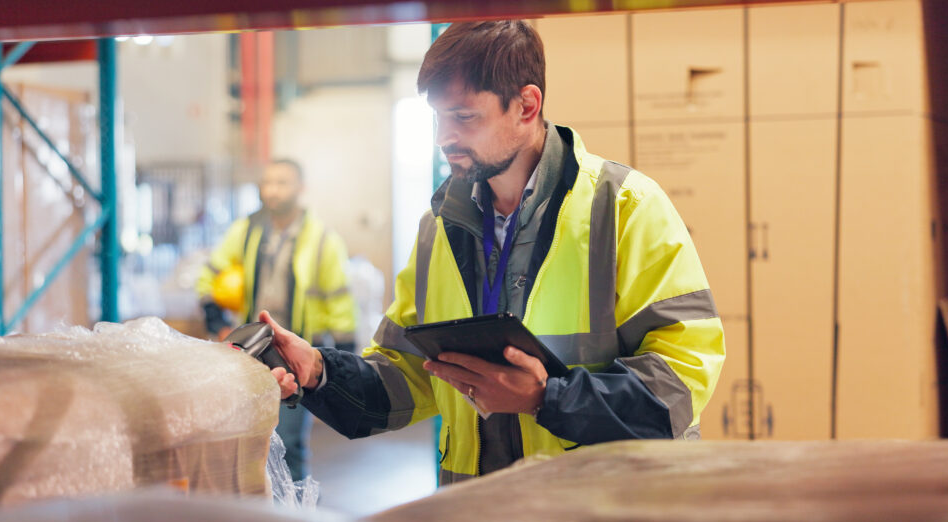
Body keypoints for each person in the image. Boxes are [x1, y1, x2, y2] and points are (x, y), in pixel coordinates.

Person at [260, 20, 725, 485]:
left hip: (601, 508)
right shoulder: (440, 228)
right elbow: (408, 376)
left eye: (464, 117)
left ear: (527, 106)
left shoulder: (625, 208)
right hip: (478, 508)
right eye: (438, 117)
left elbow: (681, 380)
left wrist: (545, 397)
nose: (444, 136)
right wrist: (318, 371)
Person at [197, 158, 357, 480]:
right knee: (248, 441)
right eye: (267, 182)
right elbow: (209, 276)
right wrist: (218, 323)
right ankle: (259, 506)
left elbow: (340, 304)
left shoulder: (323, 240)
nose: (272, 190)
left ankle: (296, 506)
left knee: (288, 442)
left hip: (297, 352)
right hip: (252, 350)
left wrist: (344, 374)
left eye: (282, 182)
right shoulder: (246, 231)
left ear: (301, 188)